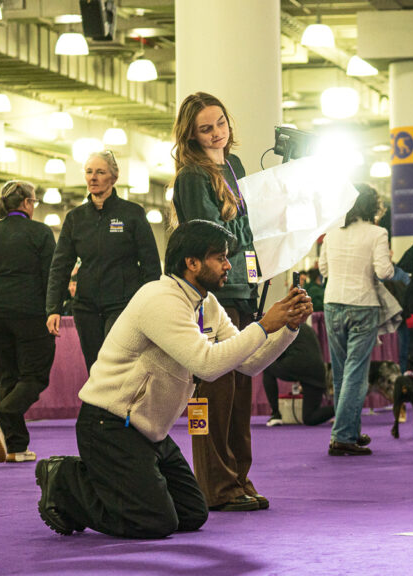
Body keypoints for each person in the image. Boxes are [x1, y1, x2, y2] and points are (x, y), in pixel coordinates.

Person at [33, 220, 311, 539]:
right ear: (191, 263)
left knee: (192, 514)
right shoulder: (160, 300)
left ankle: (109, 485)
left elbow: (248, 364)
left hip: (150, 432)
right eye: (219, 257)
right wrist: (263, 326)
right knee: (154, 522)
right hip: (110, 426)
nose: (227, 265)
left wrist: (288, 327)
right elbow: (207, 365)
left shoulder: (206, 303)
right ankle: (66, 479)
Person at [172, 92, 263, 511]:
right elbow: (210, 237)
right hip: (214, 294)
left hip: (244, 288)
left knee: (241, 392)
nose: (216, 133)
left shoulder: (234, 166)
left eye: (220, 123)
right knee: (215, 395)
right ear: (191, 134)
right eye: (206, 128)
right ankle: (217, 486)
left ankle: (238, 478)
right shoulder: (192, 175)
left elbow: (246, 224)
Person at [46, 151, 161, 371]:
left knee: (115, 365)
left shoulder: (132, 214)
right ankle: (99, 406)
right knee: (95, 369)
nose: (93, 177)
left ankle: (117, 405)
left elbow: (151, 266)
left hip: (123, 304)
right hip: (86, 307)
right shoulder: (75, 218)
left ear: (114, 177)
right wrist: (53, 308)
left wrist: (149, 306)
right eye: (89, 172)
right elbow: (60, 266)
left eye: (100, 172)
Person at [0, 181, 56, 464]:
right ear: (28, 204)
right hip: (30, 311)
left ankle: (17, 446)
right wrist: (51, 309)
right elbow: (50, 277)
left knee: (7, 376)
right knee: (34, 376)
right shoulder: (41, 233)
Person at [319, 185, 394, 456]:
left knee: (340, 372)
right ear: (373, 206)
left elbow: (323, 269)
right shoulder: (378, 233)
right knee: (356, 372)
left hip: (332, 303)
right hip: (363, 303)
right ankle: (342, 436)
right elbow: (384, 271)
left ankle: (348, 430)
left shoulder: (331, 233)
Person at [262, 323, 334, 427]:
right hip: (317, 372)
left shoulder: (284, 327)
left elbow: (277, 354)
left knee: (268, 369)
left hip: (297, 364)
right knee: (310, 418)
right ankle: (342, 409)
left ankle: (276, 414)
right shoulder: (308, 328)